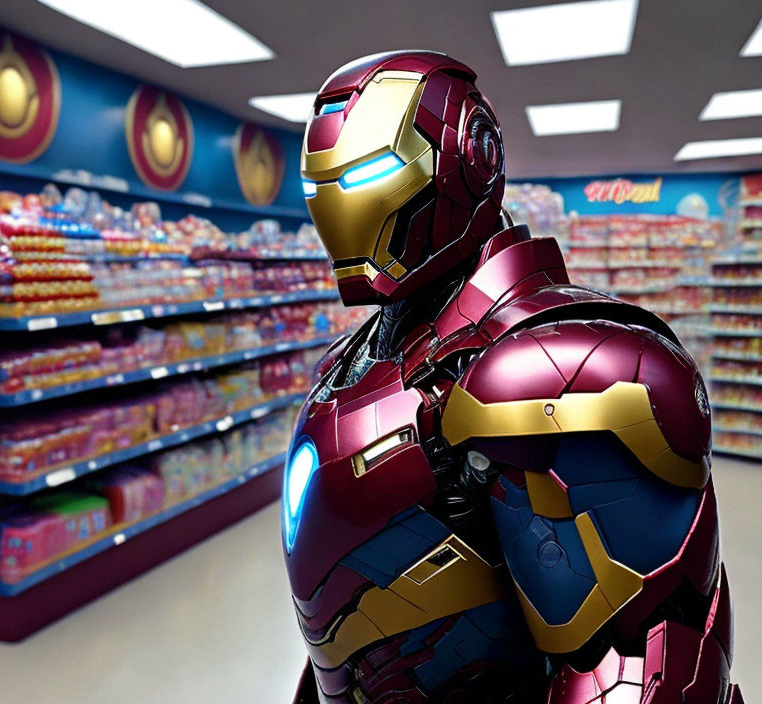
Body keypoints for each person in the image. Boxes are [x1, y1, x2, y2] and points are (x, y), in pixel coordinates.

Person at [281, 50, 740, 703]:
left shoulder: (557, 371)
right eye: (319, 187)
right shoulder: (360, 357)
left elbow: (634, 665)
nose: (340, 208)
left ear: (469, 159)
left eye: (376, 171)